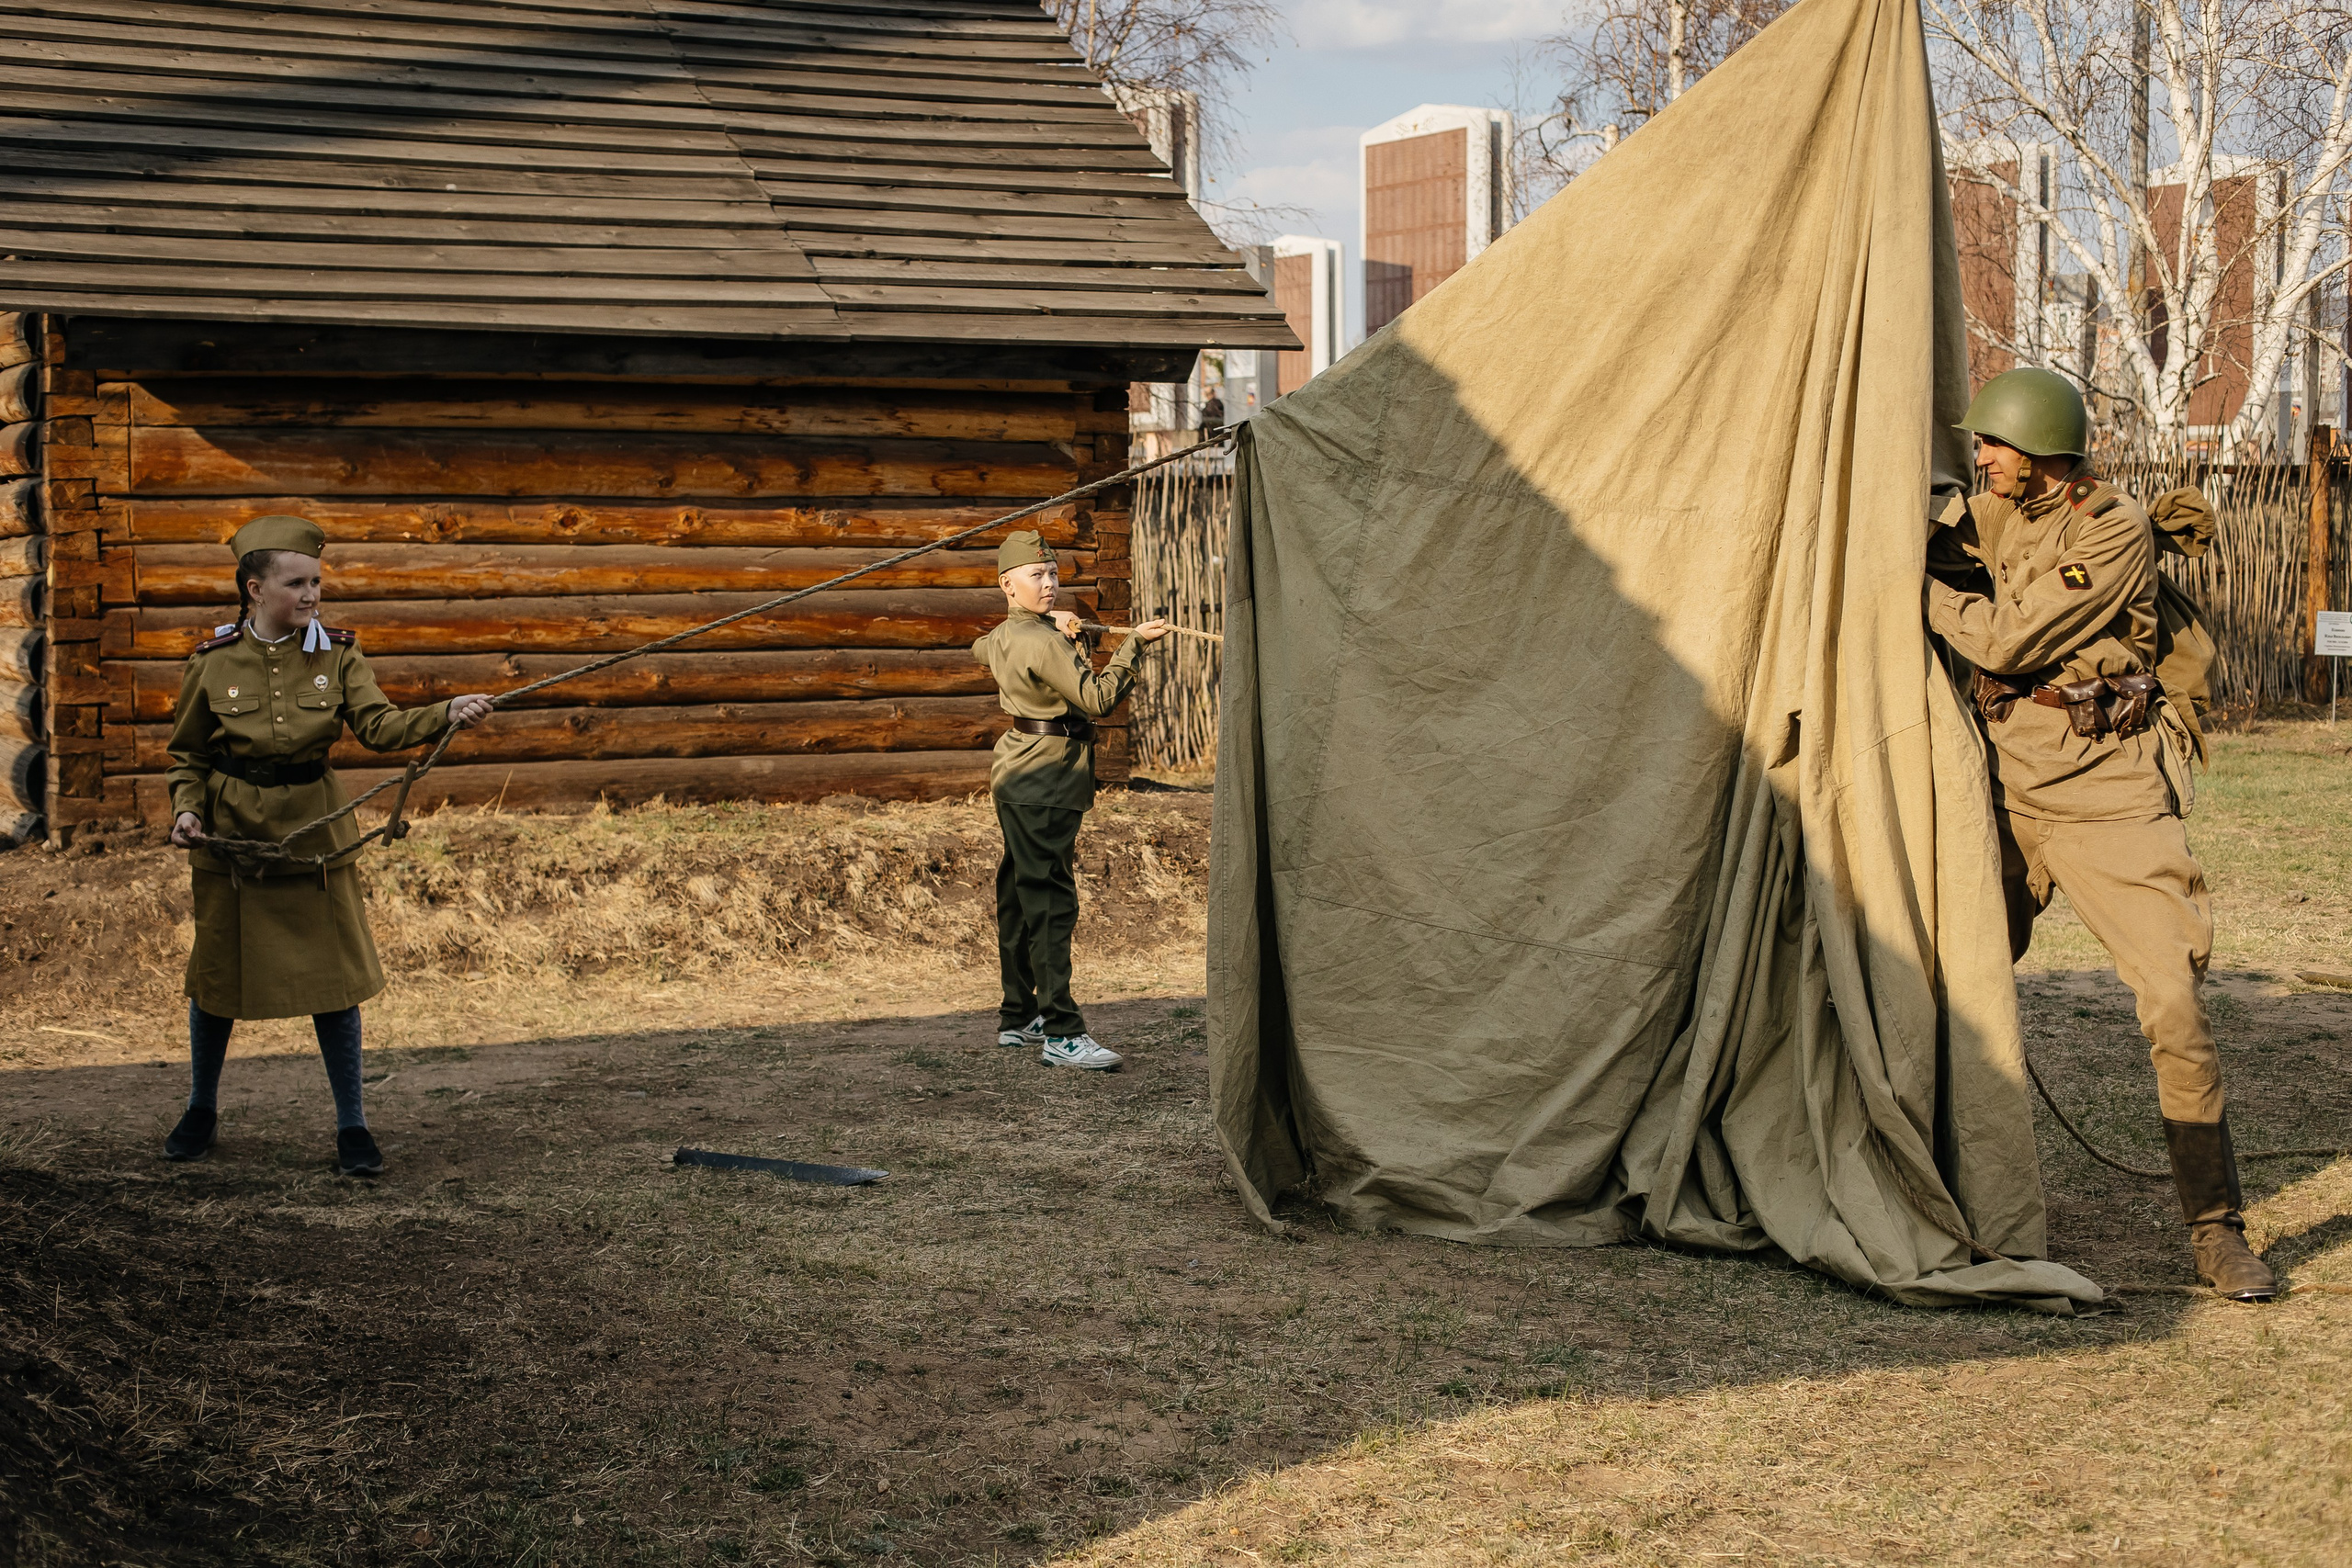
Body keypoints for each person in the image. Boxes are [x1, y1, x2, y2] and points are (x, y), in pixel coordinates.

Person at [1924, 367, 2275, 1301]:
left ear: (2039, 449)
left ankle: (2214, 1230)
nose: (1982, 458)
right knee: (1937, 983)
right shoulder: (2002, 512)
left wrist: (1914, 591)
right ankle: (1925, 1188)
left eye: (1994, 445)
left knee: (2172, 1001)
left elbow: (2004, 642)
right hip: (2000, 785)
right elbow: (1949, 529)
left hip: (2105, 793)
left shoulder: (2111, 529)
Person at [160, 516, 493, 1176]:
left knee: (335, 984)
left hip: (314, 837)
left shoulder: (338, 655)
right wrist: (187, 811)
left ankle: (353, 1123)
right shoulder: (212, 661)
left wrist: (445, 711)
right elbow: (187, 755)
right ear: (255, 589)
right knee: (218, 979)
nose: (312, 594)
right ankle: (201, 1107)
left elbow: (380, 724)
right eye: (296, 583)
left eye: (316, 581)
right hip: (234, 846)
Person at [974, 530, 1170, 1069]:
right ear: (1007, 584)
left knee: (1018, 891)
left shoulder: (1007, 636)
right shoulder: (1043, 640)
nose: (1049, 583)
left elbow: (982, 647)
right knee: (1050, 902)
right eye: (1036, 576)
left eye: (1053, 574)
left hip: (1014, 773)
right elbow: (1098, 699)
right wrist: (1134, 645)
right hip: (1048, 781)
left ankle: (1019, 1017)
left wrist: (1047, 624)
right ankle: (1062, 1031)